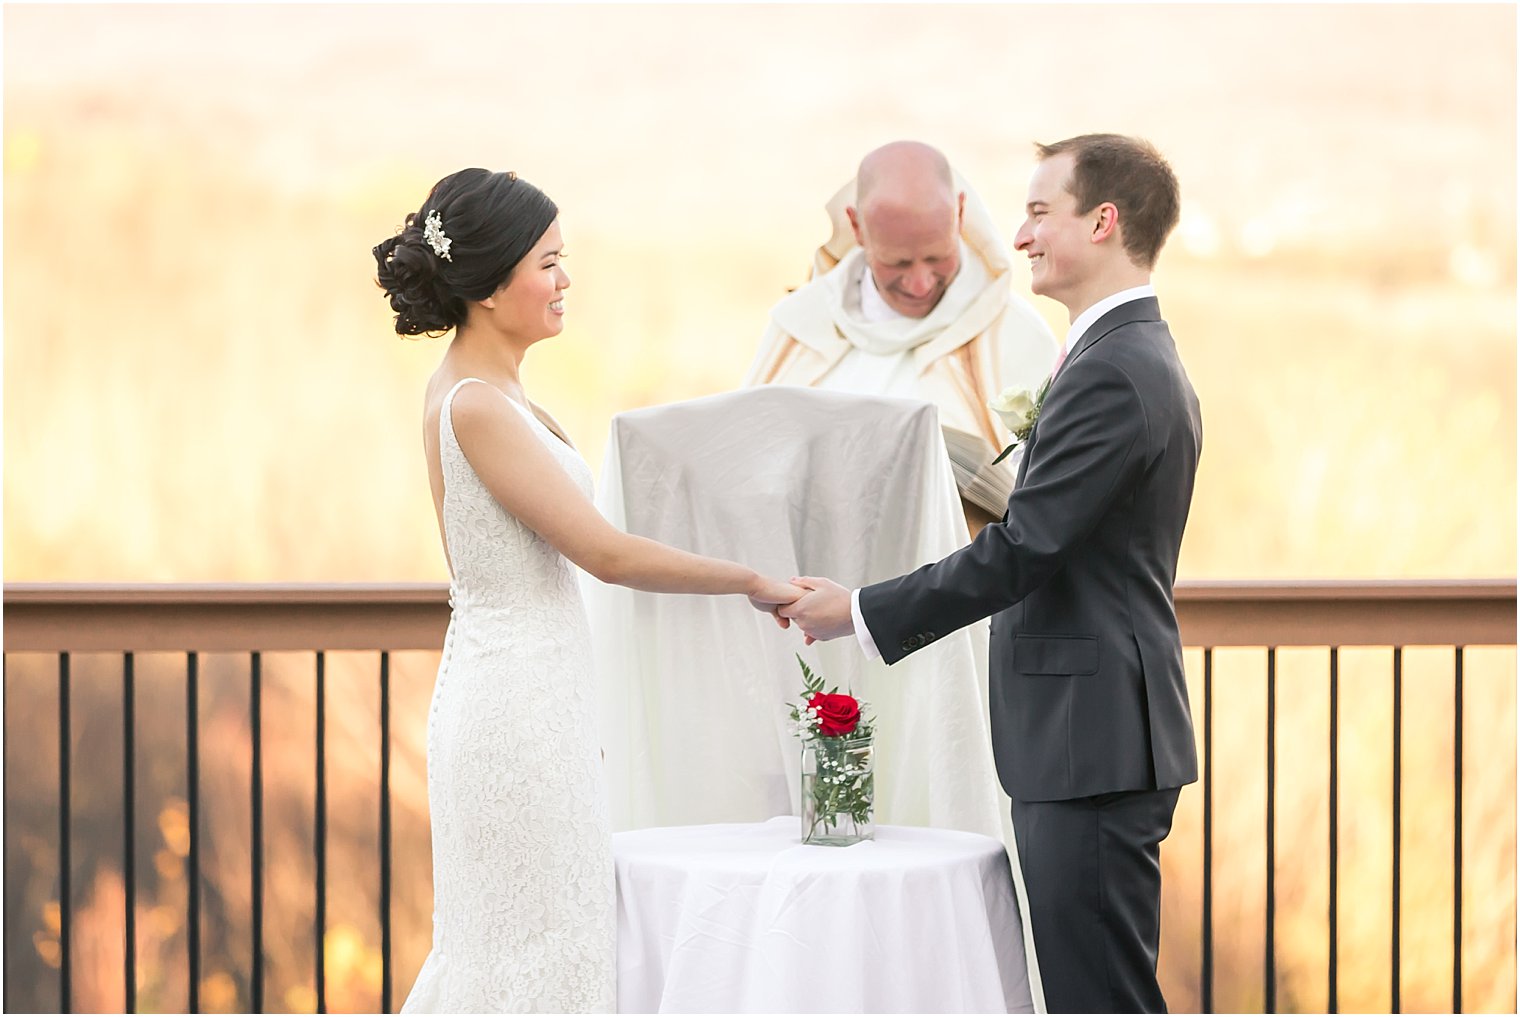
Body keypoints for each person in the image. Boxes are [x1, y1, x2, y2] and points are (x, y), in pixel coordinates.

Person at [775, 135, 1202, 1013]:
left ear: (1104, 221)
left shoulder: (1115, 371)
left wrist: (858, 609)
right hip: (1089, 737)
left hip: (1089, 742)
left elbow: (1024, 548)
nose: (1021, 234)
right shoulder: (1115, 355)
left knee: (1099, 999)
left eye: (1042, 212)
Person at [373, 168, 799, 1013]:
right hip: (514, 708)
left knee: (554, 943)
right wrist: (749, 579)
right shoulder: (475, 406)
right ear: (493, 287)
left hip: (540, 695)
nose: (566, 281)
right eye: (549, 263)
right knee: (535, 950)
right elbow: (602, 552)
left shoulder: (500, 393)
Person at [742, 140, 1058, 534]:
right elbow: (744, 473)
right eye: (898, 262)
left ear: (959, 213)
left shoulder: (1016, 334)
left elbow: (1054, 507)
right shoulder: (800, 325)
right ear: (857, 227)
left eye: (936, 257)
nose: (920, 282)